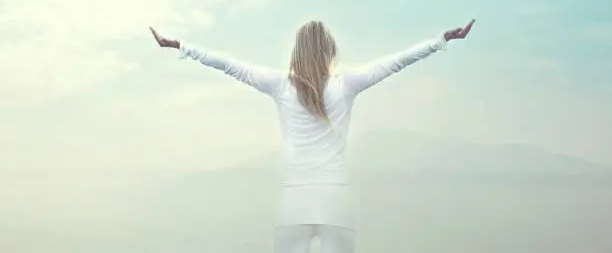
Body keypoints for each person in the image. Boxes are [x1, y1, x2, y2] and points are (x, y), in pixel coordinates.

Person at [149, 19, 475, 253]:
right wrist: (439, 41)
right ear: (329, 51)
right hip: (336, 202)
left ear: (296, 52)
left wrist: (181, 45)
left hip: (294, 204)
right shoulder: (345, 85)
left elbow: (229, 65)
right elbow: (395, 63)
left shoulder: (278, 85)